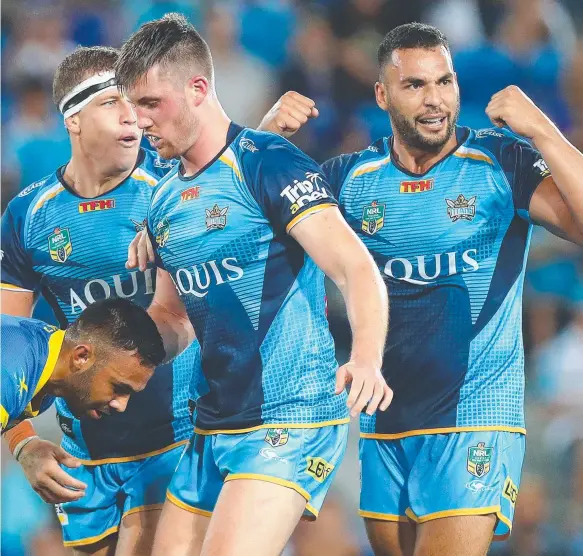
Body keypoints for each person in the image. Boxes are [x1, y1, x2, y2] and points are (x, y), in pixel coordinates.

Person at [260, 22, 583, 556]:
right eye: (415, 86)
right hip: (385, 420)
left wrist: (543, 130)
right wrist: (267, 141)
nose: (435, 100)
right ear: (383, 94)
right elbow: (246, 237)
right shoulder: (349, 178)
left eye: (445, 82)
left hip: (477, 416)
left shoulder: (501, 164)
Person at [115, 13, 392, 556]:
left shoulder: (270, 163)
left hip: (291, 413)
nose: (139, 122)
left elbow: (354, 267)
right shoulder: (164, 200)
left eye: (151, 104)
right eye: (132, 107)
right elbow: (173, 318)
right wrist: (123, 358)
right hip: (214, 421)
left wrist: (365, 356)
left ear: (198, 89)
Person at [0, 46, 196, 555]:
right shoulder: (28, 216)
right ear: (74, 119)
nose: (133, 113)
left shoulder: (175, 191)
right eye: (113, 101)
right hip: (85, 450)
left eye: (136, 100)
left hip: (177, 436)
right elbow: (5, 341)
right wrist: (23, 444)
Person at [1, 298, 164, 432]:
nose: (121, 406)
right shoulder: (10, 373)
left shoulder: (47, 366)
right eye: (118, 388)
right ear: (82, 357)